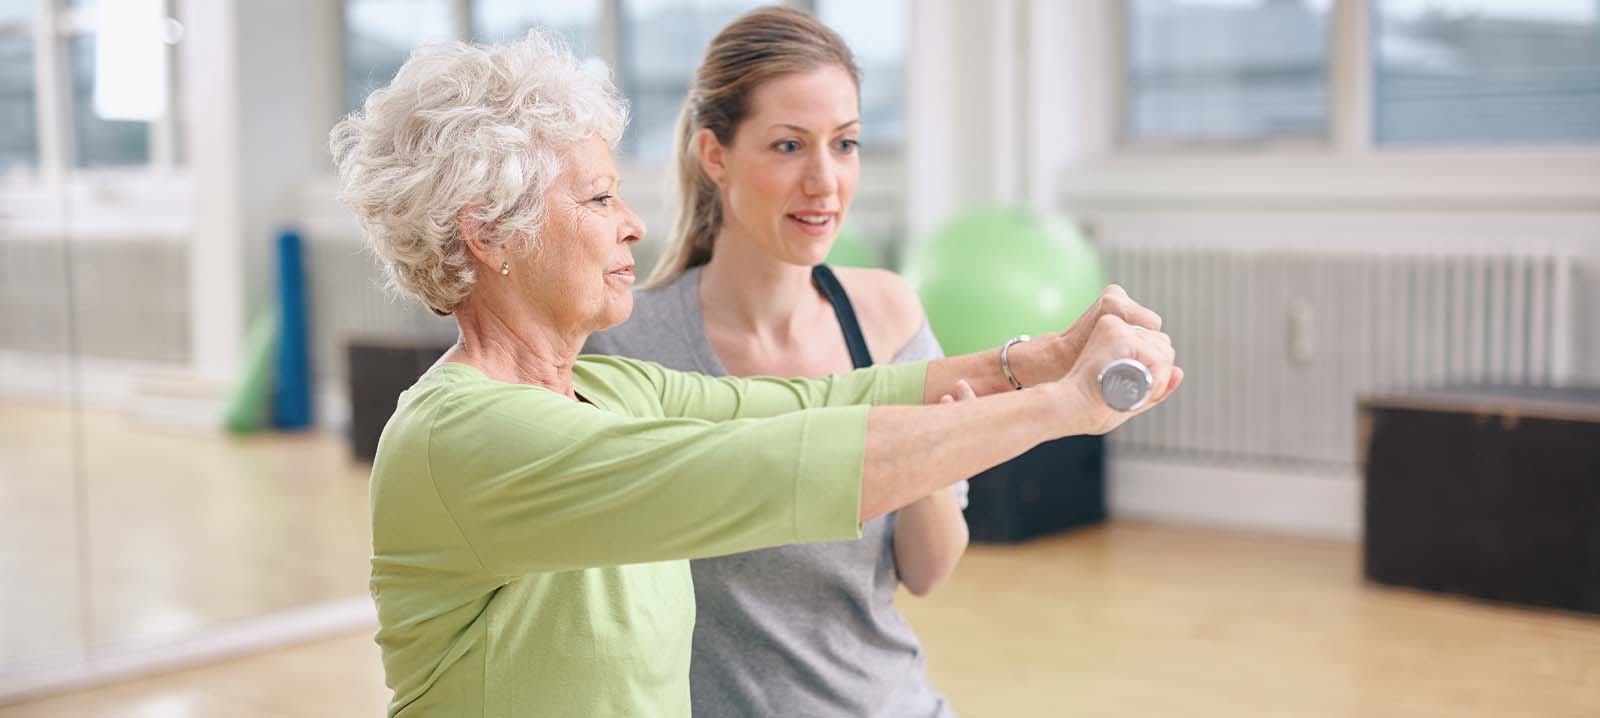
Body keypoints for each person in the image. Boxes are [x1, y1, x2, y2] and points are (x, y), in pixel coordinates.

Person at [330, 28, 1182, 718]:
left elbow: (820, 401)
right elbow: (777, 471)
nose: (632, 225)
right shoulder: (471, 437)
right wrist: (1063, 408)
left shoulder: (611, 389)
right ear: (489, 232)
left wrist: (1031, 363)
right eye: (596, 200)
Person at [582, 8, 963, 716]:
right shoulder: (627, 341)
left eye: (844, 144)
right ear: (716, 155)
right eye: (789, 146)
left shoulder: (885, 317)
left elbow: (928, 570)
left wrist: (925, 443)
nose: (825, 181)